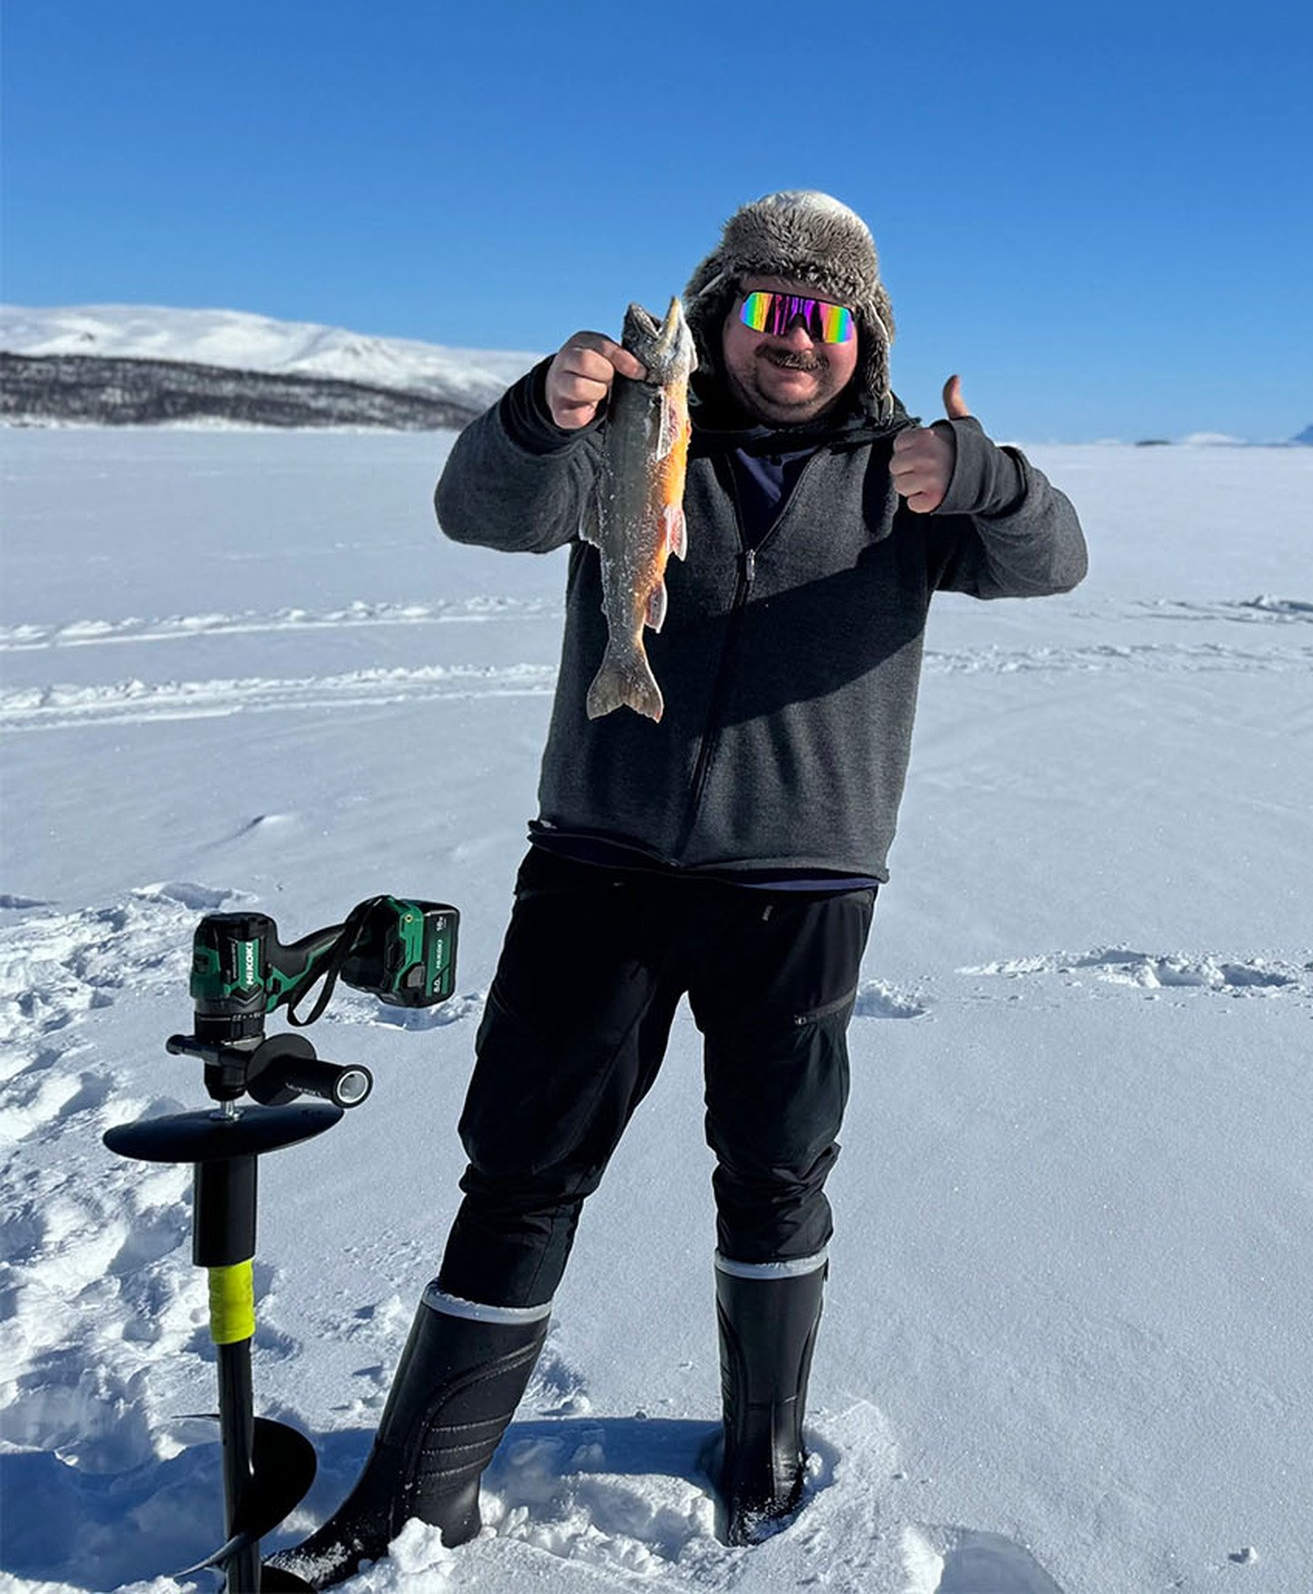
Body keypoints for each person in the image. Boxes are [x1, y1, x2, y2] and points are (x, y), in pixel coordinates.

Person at [272, 189, 1087, 1587]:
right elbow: (481, 509)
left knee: (776, 1173)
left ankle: (765, 1449)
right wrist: (540, 417)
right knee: (522, 1169)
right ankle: (418, 1487)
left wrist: (990, 477)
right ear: (717, 316)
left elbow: (1054, 562)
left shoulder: (907, 475)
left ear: (866, 339)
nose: (795, 336)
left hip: (802, 883)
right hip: (599, 864)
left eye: (825, 314)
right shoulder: (640, 436)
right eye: (766, 306)